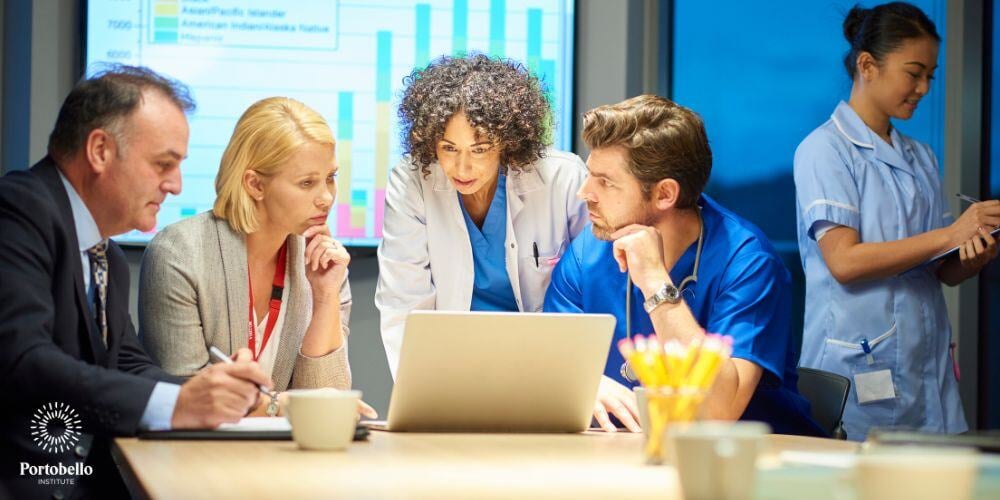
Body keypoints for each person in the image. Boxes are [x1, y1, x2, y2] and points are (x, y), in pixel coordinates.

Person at [0, 66, 272, 499]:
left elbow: (128, 365)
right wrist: (180, 404)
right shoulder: (19, 209)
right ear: (100, 150)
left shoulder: (107, 255)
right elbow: (22, 360)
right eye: (163, 164)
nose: (176, 186)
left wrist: (219, 393)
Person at [545, 95, 823, 436]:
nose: (584, 193)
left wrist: (655, 281)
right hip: (625, 457)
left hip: (748, 469)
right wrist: (589, 386)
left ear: (664, 194)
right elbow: (553, 368)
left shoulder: (748, 263)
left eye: (605, 182)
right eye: (590, 176)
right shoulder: (588, 252)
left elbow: (715, 412)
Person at [794, 2, 999, 440]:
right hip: (859, 370)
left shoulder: (921, 157)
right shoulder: (825, 150)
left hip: (927, 369)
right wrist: (951, 232)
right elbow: (844, 261)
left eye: (931, 75)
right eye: (914, 72)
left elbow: (939, 271)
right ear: (868, 65)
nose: (924, 87)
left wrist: (973, 252)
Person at [139, 97, 374, 418]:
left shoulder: (325, 260)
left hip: (288, 460)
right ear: (255, 184)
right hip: (194, 457)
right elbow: (188, 397)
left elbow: (326, 401)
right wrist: (280, 406)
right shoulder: (179, 253)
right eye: (307, 183)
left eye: (330, 178)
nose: (326, 198)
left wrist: (325, 297)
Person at [376, 54, 588, 377]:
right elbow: (403, 305)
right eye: (449, 149)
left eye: (480, 149)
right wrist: (423, 391)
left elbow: (594, 290)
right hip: (453, 369)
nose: (462, 168)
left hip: (549, 367)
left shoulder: (563, 180)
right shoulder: (412, 183)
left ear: (507, 141)